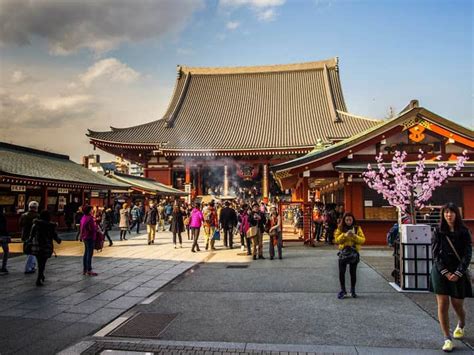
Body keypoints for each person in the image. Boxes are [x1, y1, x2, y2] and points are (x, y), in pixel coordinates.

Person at [430, 203, 472, 352]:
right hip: (441, 271)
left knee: (457, 303)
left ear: (457, 214)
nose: (449, 215)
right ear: (443, 214)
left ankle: (461, 323)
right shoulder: (438, 231)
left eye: (452, 212)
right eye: (446, 212)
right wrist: (445, 272)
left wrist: (459, 272)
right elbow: (435, 255)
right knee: (443, 304)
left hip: (458, 270)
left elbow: (467, 254)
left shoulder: (464, 231)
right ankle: (447, 338)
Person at [334, 212, 365, 299]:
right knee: (341, 272)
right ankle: (343, 290)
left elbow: (363, 240)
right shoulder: (340, 228)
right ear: (344, 220)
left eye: (350, 219)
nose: (348, 221)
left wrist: (354, 236)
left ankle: (353, 290)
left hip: (353, 253)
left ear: (353, 220)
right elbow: (336, 240)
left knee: (353, 273)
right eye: (347, 220)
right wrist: (344, 235)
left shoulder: (357, 228)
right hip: (343, 253)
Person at [30, 210, 61, 286]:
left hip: (37, 246)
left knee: (39, 262)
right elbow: (54, 236)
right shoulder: (50, 226)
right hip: (46, 246)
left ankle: (41, 275)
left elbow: (31, 236)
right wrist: (58, 240)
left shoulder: (35, 224)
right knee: (43, 263)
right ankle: (39, 277)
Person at [20, 201, 39, 274]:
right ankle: (28, 267)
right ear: (36, 208)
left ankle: (32, 265)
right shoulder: (37, 216)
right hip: (34, 236)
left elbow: (20, 224)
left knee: (28, 251)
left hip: (25, 235)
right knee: (32, 251)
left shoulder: (23, 215)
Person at [80, 205, 98, 276]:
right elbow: (92, 228)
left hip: (85, 236)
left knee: (86, 253)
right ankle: (89, 270)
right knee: (89, 254)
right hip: (90, 237)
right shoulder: (90, 218)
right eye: (91, 209)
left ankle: (85, 269)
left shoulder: (83, 217)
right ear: (89, 210)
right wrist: (96, 228)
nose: (92, 210)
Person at [0, 207, 10, 274]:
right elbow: (3, 227)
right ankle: (3, 267)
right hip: (3, 236)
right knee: (6, 251)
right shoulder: (2, 217)